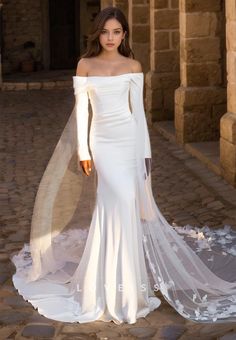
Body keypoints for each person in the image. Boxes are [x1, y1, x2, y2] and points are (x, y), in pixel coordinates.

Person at [12, 6, 236, 325]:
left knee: (127, 209)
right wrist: (85, 151)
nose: (110, 38)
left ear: (124, 34)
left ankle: (129, 289)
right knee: (112, 204)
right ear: (97, 33)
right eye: (105, 31)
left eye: (117, 32)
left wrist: (145, 156)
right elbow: (83, 112)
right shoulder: (85, 65)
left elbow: (139, 115)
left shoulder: (133, 65)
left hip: (129, 142)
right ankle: (103, 288)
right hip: (102, 145)